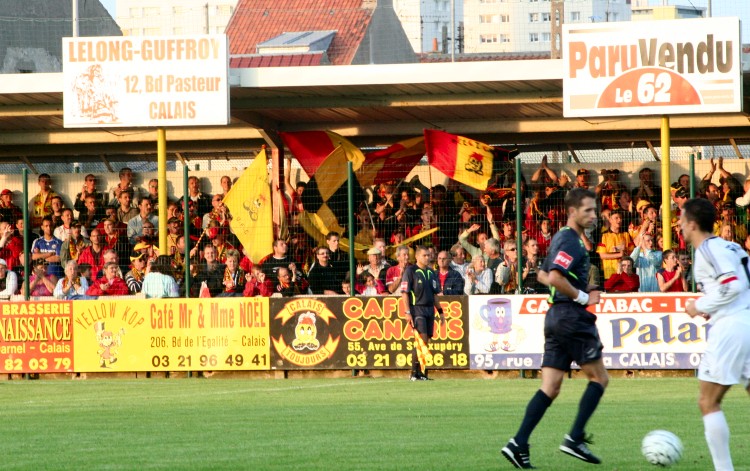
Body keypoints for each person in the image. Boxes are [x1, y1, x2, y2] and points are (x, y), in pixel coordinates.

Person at [502, 188, 606, 469]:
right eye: (588, 210)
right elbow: (556, 277)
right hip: (571, 316)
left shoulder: (560, 237)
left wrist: (581, 286)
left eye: (594, 210)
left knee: (550, 387)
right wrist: (583, 296)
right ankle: (574, 438)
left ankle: (518, 443)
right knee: (599, 379)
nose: (593, 215)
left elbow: (543, 274)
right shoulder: (571, 241)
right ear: (573, 212)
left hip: (554, 317)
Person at [681, 197, 750, 471]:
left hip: (732, 327)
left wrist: (699, 306)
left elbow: (732, 285)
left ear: (693, 224)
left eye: (682, 220)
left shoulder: (708, 249)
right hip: (745, 318)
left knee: (708, 401)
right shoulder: (731, 246)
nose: (679, 225)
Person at [401, 245, 444, 381]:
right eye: (424, 255)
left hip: (429, 309)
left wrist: (440, 311)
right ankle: (414, 373)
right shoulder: (410, 271)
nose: (427, 258)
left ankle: (423, 373)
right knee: (421, 340)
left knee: (426, 341)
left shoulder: (431, 272)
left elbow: (435, 294)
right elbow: (404, 293)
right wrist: (408, 312)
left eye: (428, 255)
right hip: (417, 309)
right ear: (417, 257)